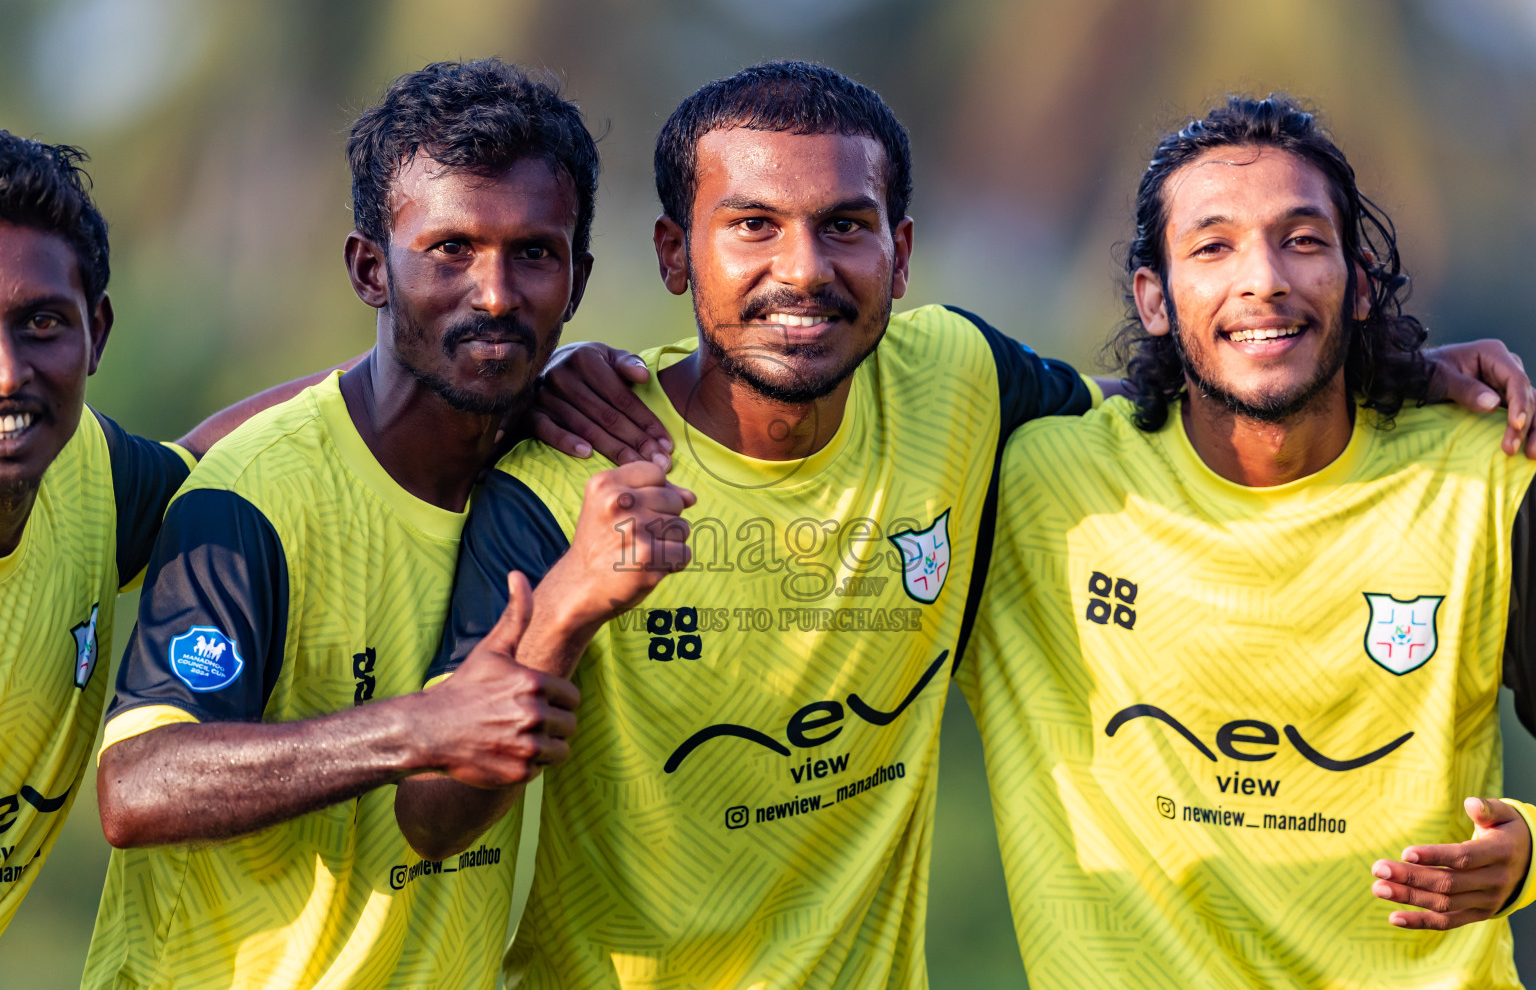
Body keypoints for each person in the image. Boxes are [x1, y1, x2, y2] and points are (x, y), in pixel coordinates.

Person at [401, 61, 1529, 987]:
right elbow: (434, 817)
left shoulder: (969, 388)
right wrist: (565, 607)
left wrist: (1389, 370)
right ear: (670, 254)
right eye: (752, 224)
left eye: (844, 225)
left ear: (899, 252)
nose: (802, 268)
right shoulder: (563, 474)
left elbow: (1224, 400)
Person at [80, 59, 681, 990]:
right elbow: (139, 786)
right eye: (450, 250)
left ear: (580, 277)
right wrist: (420, 728)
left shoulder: (560, 480)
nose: (494, 293)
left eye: (534, 253)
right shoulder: (258, 494)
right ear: (370, 268)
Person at [959, 94, 1536, 988]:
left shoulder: (1488, 480)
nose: (1263, 278)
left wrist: (1531, 847)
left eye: (1303, 240)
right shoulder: (1036, 487)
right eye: (1213, 246)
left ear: (1360, 281)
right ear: (1154, 298)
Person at [0, 131, 362, 938]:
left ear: (96, 332)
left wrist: (465, 381)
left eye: (41, 323)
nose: (7, 371)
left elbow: (207, 461)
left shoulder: (85, 475)